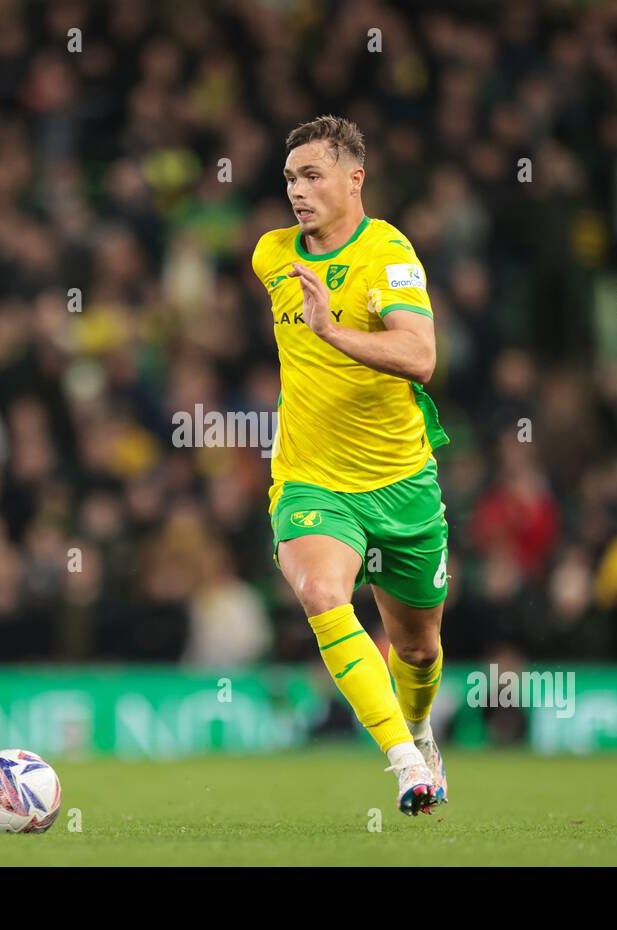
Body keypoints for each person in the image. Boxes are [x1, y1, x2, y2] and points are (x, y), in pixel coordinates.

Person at [250, 116, 451, 816]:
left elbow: (421, 357)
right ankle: (404, 763)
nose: (297, 191)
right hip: (312, 478)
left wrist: (333, 330)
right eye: (289, 179)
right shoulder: (272, 255)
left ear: (354, 178)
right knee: (321, 592)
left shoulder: (390, 253)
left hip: (400, 481)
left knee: (419, 649)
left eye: (312, 175)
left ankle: (421, 730)